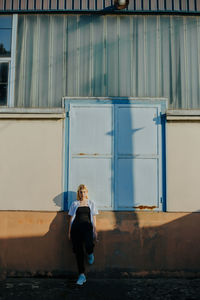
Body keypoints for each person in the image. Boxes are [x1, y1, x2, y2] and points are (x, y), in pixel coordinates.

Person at [68, 184, 98, 285]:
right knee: (78, 252)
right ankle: (81, 275)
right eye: (81, 192)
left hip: (88, 228)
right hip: (76, 229)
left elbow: (93, 217)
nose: (82, 193)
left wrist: (95, 230)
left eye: (84, 191)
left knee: (89, 245)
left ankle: (90, 253)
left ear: (87, 192)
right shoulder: (75, 203)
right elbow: (71, 218)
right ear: (79, 193)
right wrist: (69, 231)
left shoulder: (91, 203)